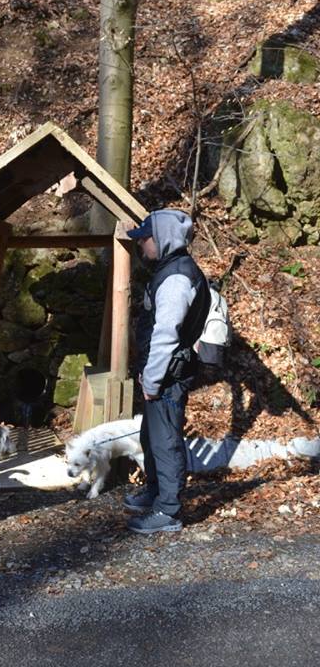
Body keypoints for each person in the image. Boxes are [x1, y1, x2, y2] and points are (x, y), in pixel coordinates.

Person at [124, 209, 210, 533]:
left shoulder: (176, 277)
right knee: (152, 437)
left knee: (166, 441)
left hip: (168, 376)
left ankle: (168, 511)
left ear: (161, 240)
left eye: (144, 239)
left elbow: (165, 336)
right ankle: (155, 492)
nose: (141, 245)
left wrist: (153, 379)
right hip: (160, 374)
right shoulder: (169, 270)